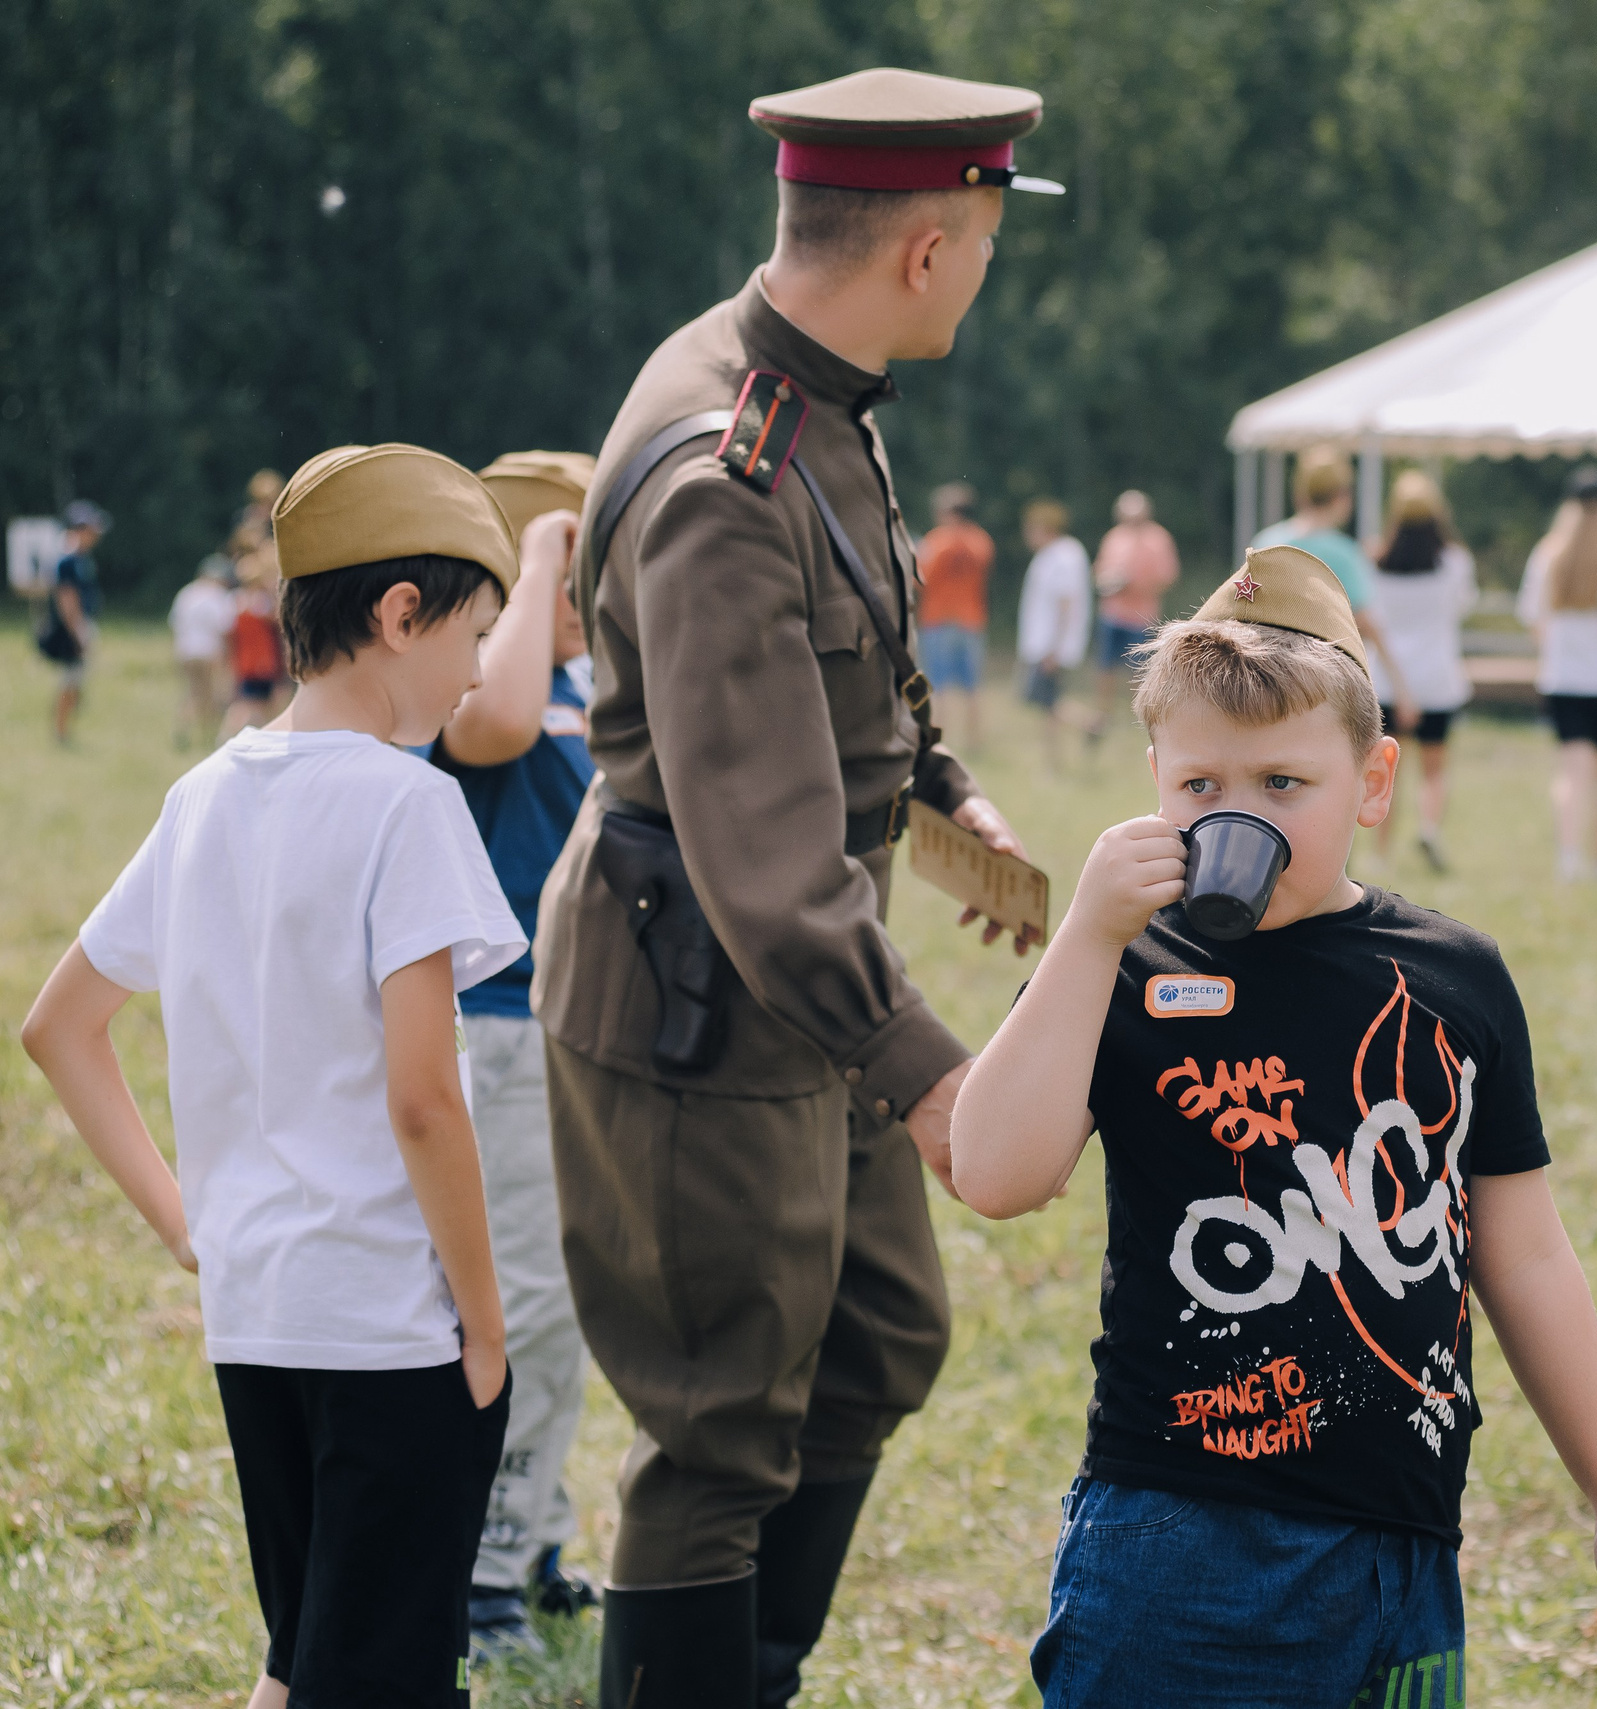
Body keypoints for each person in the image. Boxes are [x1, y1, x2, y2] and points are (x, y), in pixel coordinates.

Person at [533, 66, 1051, 1709]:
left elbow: (846, 669)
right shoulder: (728, 471)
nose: (983, 275)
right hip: (700, 995)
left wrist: (944, 790)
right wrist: (939, 1085)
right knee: (721, 1419)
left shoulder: (816, 397)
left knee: (880, 1333)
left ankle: (746, 1673)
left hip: (798, 978)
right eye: (984, 245)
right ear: (924, 251)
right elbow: (755, 855)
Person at [947, 543, 1597, 1705]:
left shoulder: (1453, 978)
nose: (1238, 814)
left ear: (1373, 782)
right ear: (1154, 779)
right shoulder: (1125, 963)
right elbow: (992, 1172)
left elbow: (1526, 1252)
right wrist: (1085, 935)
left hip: (1402, 1546)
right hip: (1176, 1537)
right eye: (1201, 786)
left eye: (1283, 782)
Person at [22, 442, 528, 1709]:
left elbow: (61, 1026)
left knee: (302, 1656)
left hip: (256, 1320)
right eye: (476, 632)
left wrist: (184, 1222)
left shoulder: (202, 795)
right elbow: (424, 1099)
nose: (480, 669)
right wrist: (485, 1319)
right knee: (384, 1673)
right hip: (392, 1329)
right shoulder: (408, 806)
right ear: (399, 612)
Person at [423, 452, 602, 1656]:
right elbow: (493, 726)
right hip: (500, 1028)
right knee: (525, 1297)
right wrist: (536, 557)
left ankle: (531, 1531)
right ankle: (481, 1567)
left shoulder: (584, 684)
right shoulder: (479, 679)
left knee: (567, 1298)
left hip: (581, 1030)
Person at [1518, 465, 1597, 883]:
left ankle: (1569, 858)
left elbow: (1533, 619)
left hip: (1565, 679)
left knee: (1572, 774)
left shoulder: (1549, 554)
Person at [1250, 446, 1418, 723]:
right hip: (1321, 686)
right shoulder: (1344, 553)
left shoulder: (1266, 542)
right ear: (1342, 497)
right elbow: (1366, 622)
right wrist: (1401, 688)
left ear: (1300, 493)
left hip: (1266, 677)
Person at [1363, 469, 1475, 871]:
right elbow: (1462, 606)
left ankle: (1382, 852)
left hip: (1387, 680)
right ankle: (1429, 828)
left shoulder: (1374, 559)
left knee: (1386, 770)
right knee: (1434, 767)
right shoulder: (1454, 562)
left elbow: (1369, 615)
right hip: (1437, 679)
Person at [1090, 487, 1181, 739]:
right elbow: (1100, 569)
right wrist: (1107, 581)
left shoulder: (1158, 539)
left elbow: (1167, 578)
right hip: (1112, 613)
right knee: (1105, 667)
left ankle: (1141, 718)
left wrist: (1134, 587)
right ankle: (1104, 714)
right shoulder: (1114, 537)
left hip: (1141, 616)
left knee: (1140, 671)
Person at [918, 481, 995, 750]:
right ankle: (974, 741)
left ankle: (939, 740)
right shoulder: (982, 541)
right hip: (971, 620)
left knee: (938, 685)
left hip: (939, 620)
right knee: (972, 686)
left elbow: (920, 579)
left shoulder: (935, 541)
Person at [1018, 498, 1092, 766]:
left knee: (1049, 702)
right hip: (1045, 645)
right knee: (1046, 701)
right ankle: (1088, 725)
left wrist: (1054, 648)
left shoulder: (1063, 556)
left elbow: (1065, 603)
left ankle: (1054, 758)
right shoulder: (1051, 555)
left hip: (1051, 647)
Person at [38, 499, 108, 746]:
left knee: (76, 681)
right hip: (70, 629)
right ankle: (60, 731)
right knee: (70, 681)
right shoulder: (67, 559)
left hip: (80, 624)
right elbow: (67, 598)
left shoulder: (79, 557)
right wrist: (78, 631)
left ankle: (64, 728)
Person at [225, 529, 291, 738]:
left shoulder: (236, 602)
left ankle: (234, 735)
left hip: (245, 661)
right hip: (263, 661)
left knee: (249, 703)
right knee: (262, 706)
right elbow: (278, 623)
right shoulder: (260, 605)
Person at [170, 553, 236, 749]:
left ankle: (184, 729)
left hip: (185, 651)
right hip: (210, 652)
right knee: (211, 696)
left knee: (192, 693)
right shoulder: (218, 596)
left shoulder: (186, 593)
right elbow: (224, 628)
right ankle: (208, 737)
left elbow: (175, 623)